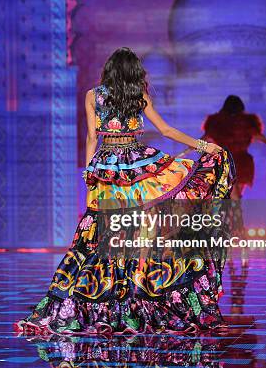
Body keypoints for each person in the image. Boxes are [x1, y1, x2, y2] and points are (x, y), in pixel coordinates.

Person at [16, 47, 236, 336]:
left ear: (109, 70)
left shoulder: (93, 96)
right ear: (134, 72)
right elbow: (166, 131)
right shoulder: (138, 97)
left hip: (106, 169)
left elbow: (92, 137)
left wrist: (88, 173)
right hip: (138, 168)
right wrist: (205, 147)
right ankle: (138, 298)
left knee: (99, 235)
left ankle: (100, 301)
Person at [183, 95, 266, 199]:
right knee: (234, 197)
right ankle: (234, 224)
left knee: (232, 198)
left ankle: (232, 224)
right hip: (242, 164)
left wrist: (182, 154)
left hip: (225, 163)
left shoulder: (216, 123)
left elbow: (200, 143)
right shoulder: (247, 123)